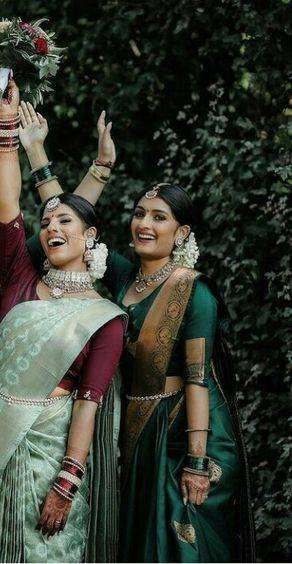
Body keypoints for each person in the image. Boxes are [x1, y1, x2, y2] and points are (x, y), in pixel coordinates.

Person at [25, 114, 256, 561]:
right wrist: (37, 152)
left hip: (184, 434)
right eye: (139, 214)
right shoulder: (123, 276)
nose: (144, 224)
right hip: (133, 429)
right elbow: (67, 222)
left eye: (159, 217)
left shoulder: (194, 291)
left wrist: (196, 462)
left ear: (181, 233)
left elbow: (198, 380)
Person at [0, 81, 126, 563]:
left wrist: (67, 482)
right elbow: (7, 205)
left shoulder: (106, 318)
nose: (52, 227)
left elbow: (89, 402)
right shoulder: (21, 277)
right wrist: (5, 127)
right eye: (47, 222)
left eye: (65, 221)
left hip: (52, 458)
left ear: (90, 235)